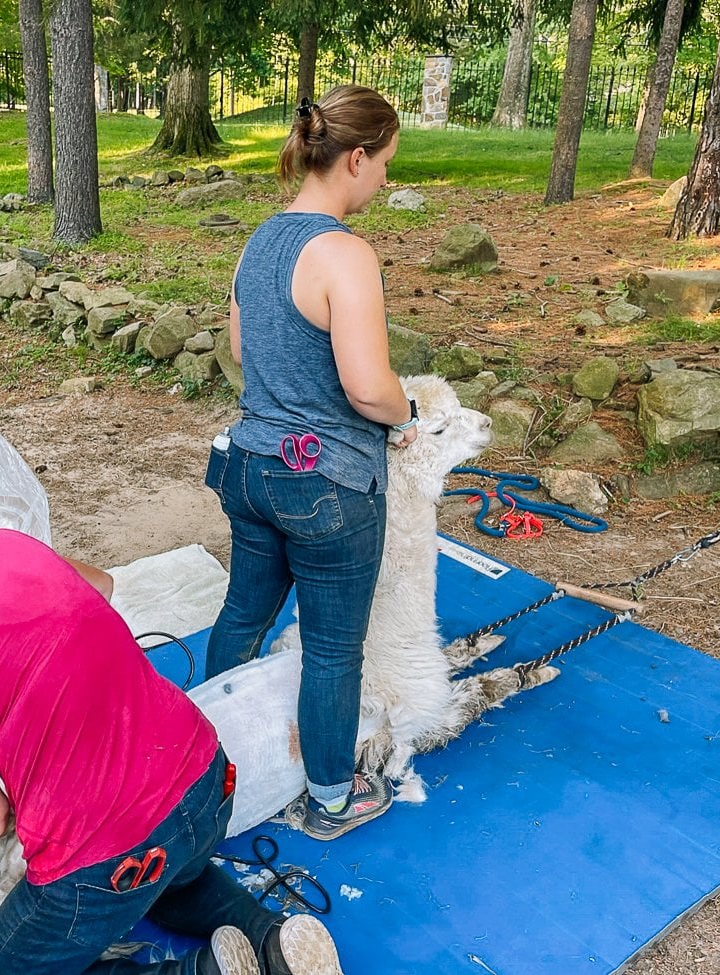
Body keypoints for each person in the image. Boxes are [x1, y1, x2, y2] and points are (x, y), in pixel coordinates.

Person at [0, 504, 344, 975]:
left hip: (110, 849)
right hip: (204, 779)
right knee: (173, 874)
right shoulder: (1, 544)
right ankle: (274, 942)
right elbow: (100, 585)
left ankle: (200, 971)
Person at [203, 85, 420, 842]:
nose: (385, 181)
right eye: (384, 164)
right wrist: (409, 411)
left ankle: (204, 766)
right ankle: (330, 797)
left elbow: (239, 348)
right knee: (333, 649)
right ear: (355, 158)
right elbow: (368, 387)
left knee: (243, 613)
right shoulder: (344, 254)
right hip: (325, 486)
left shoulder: (260, 240)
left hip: (251, 466)